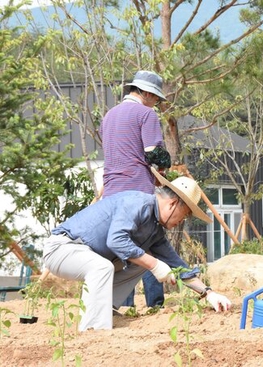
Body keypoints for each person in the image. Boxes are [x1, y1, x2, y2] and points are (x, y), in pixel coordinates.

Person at [42, 168, 231, 331]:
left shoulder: (155, 229)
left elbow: (177, 265)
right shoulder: (137, 203)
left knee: (141, 262)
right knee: (117, 265)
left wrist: (209, 293)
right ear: (172, 204)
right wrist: (154, 264)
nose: (178, 224)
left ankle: (104, 310)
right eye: (181, 218)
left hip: (90, 256)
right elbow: (116, 240)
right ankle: (93, 328)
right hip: (63, 248)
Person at [99, 70, 172, 308]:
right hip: (137, 188)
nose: (157, 103)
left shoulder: (109, 116)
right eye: (156, 98)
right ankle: (155, 304)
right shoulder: (145, 114)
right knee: (147, 244)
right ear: (146, 93)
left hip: (111, 191)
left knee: (121, 247)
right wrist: (165, 166)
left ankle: (121, 304)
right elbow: (153, 152)